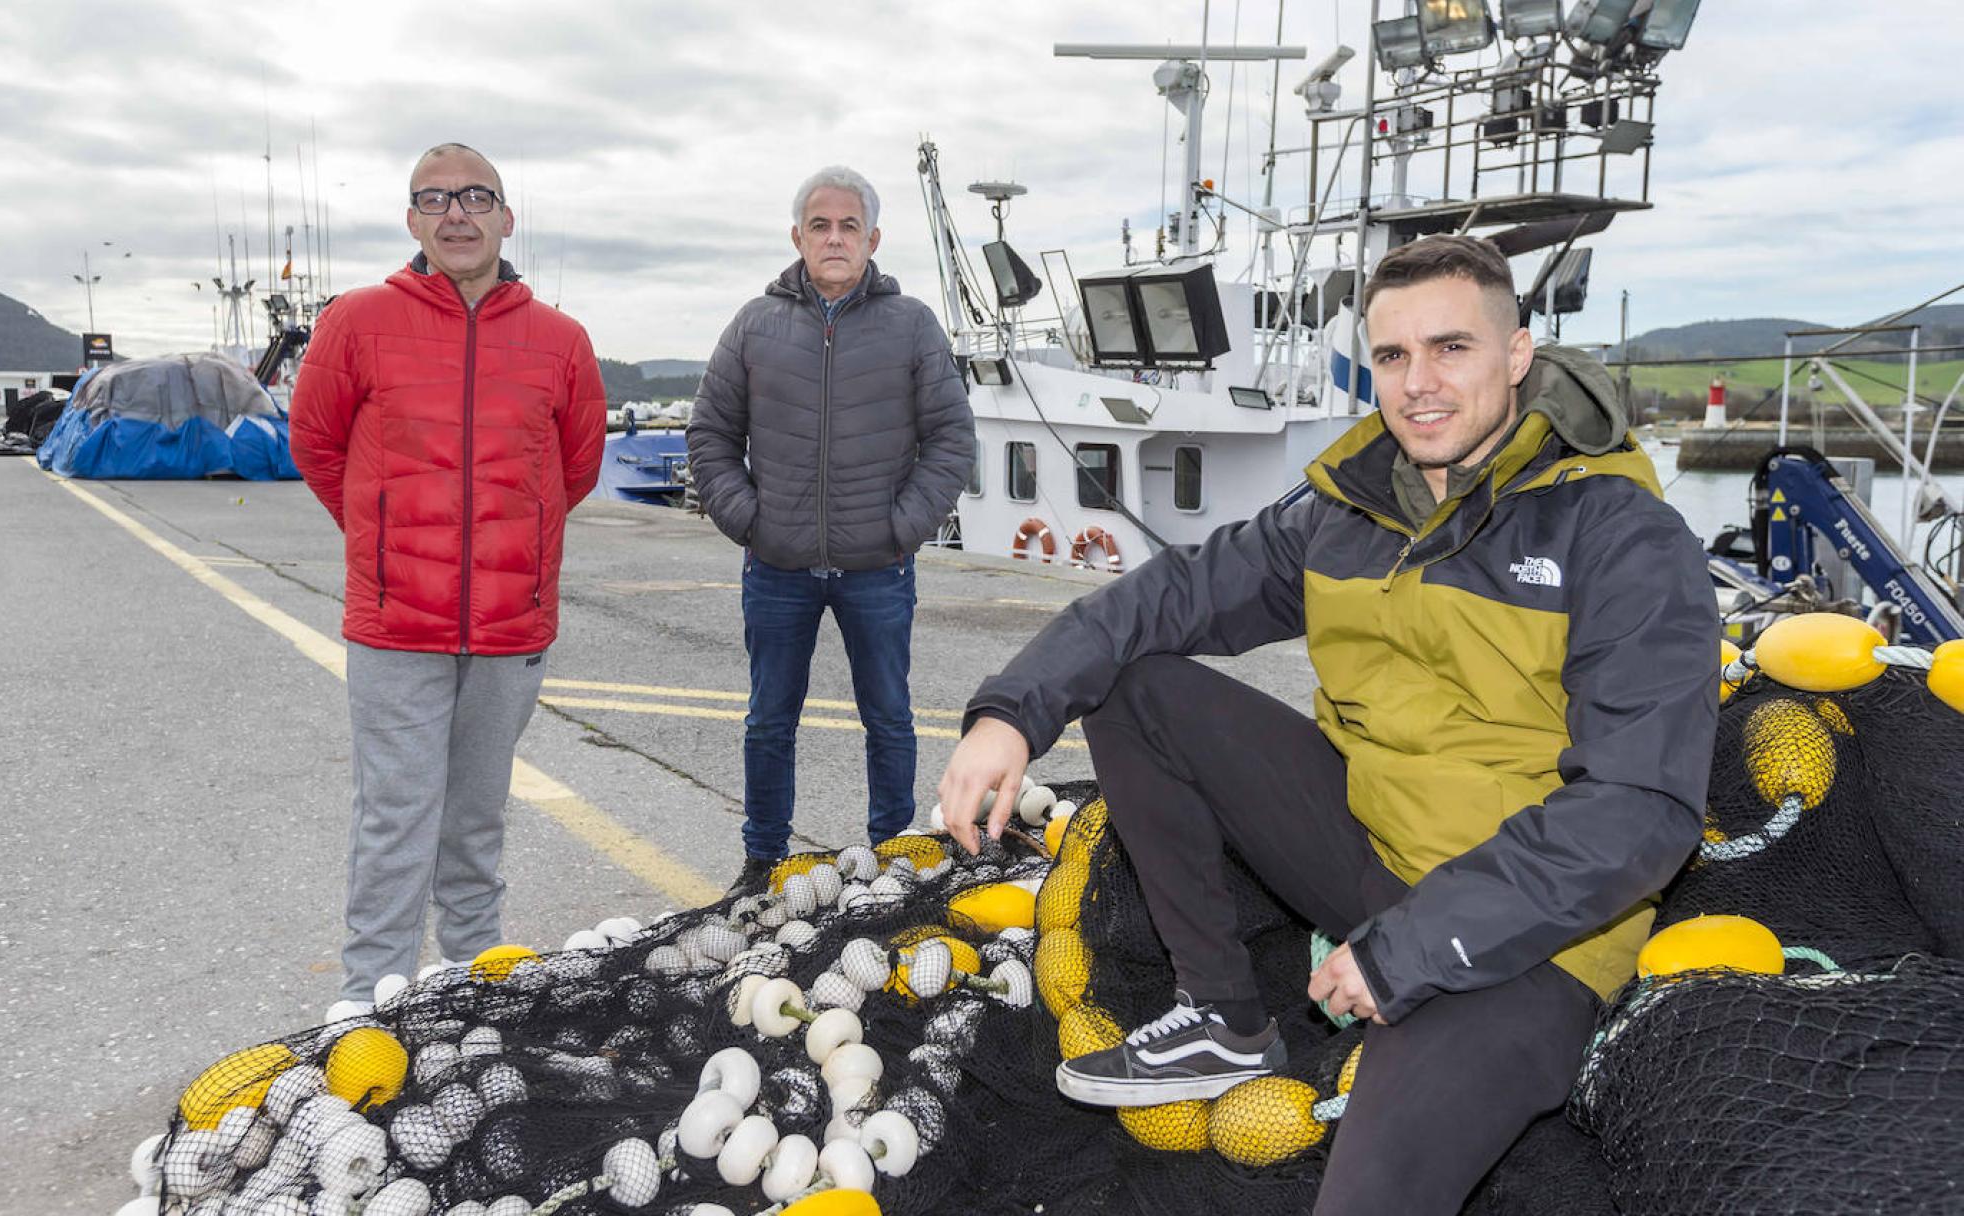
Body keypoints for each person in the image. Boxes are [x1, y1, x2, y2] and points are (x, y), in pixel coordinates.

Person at [937, 234, 1716, 1213]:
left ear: (1518, 355)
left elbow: (1641, 810)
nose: (1418, 383)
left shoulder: (1619, 534)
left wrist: (1413, 949)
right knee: (1138, 681)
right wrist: (1011, 715)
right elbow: (1168, 595)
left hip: (1530, 934)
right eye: (1392, 357)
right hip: (1370, 858)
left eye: (1451, 348)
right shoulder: (1349, 513)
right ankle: (1222, 1014)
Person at [291, 142, 606, 1021]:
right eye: (434, 199)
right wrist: (386, 544)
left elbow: (574, 468)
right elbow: (314, 447)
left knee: (475, 821)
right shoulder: (356, 321)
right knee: (394, 823)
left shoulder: (561, 341)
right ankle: (369, 1009)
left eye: (476, 197)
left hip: (511, 628)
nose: (456, 214)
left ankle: (472, 997)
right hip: (396, 628)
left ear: (507, 218)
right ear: (412, 222)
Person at [688, 165, 974, 891]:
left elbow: (951, 440)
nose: (835, 237)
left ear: (873, 239)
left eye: (850, 226)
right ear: (798, 237)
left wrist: (901, 528)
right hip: (776, 567)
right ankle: (761, 860)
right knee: (767, 722)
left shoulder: (911, 325)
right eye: (821, 225)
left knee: (889, 718)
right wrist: (752, 521)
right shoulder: (756, 323)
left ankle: (893, 858)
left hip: (878, 567)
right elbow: (710, 434)